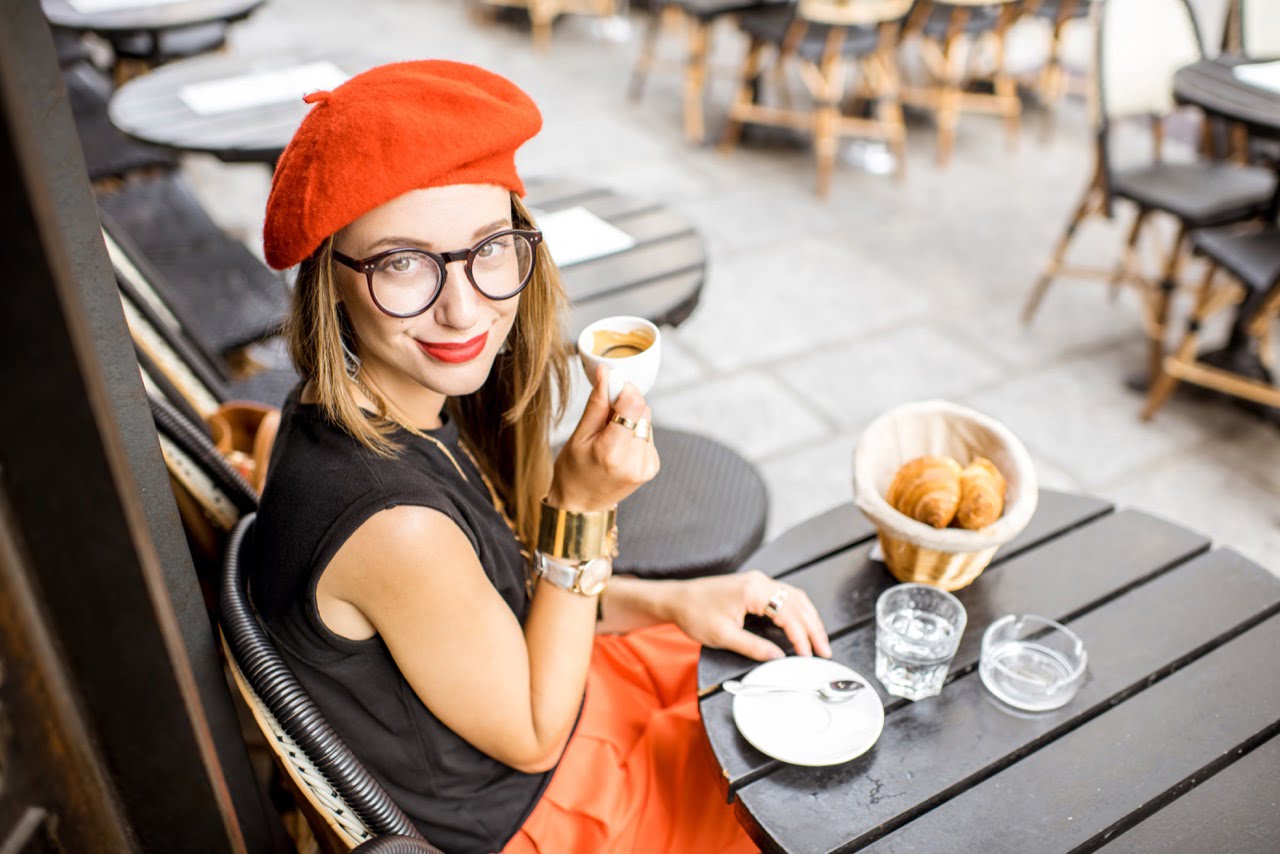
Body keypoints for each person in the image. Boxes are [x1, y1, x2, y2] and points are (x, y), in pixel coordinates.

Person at [251, 60, 831, 854]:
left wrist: (675, 599)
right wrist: (582, 507)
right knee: (806, 797)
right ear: (333, 280)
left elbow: (501, 604)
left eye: (489, 247)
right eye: (401, 263)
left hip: (547, 702)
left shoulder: (360, 407)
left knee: (779, 670)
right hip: (541, 808)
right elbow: (531, 734)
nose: (462, 306)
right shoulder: (390, 524)